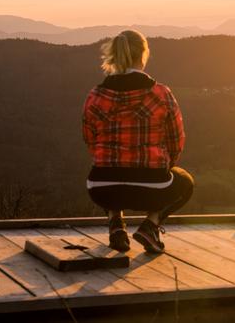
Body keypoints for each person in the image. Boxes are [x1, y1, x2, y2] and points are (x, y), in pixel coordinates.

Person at [82, 30, 194, 253]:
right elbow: (176, 141)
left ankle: (116, 226)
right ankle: (150, 226)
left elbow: (90, 140)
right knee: (186, 183)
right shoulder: (161, 94)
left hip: (101, 188)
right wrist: (163, 165)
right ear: (144, 55)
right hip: (151, 187)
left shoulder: (95, 95)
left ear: (115, 55)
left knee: (110, 171)